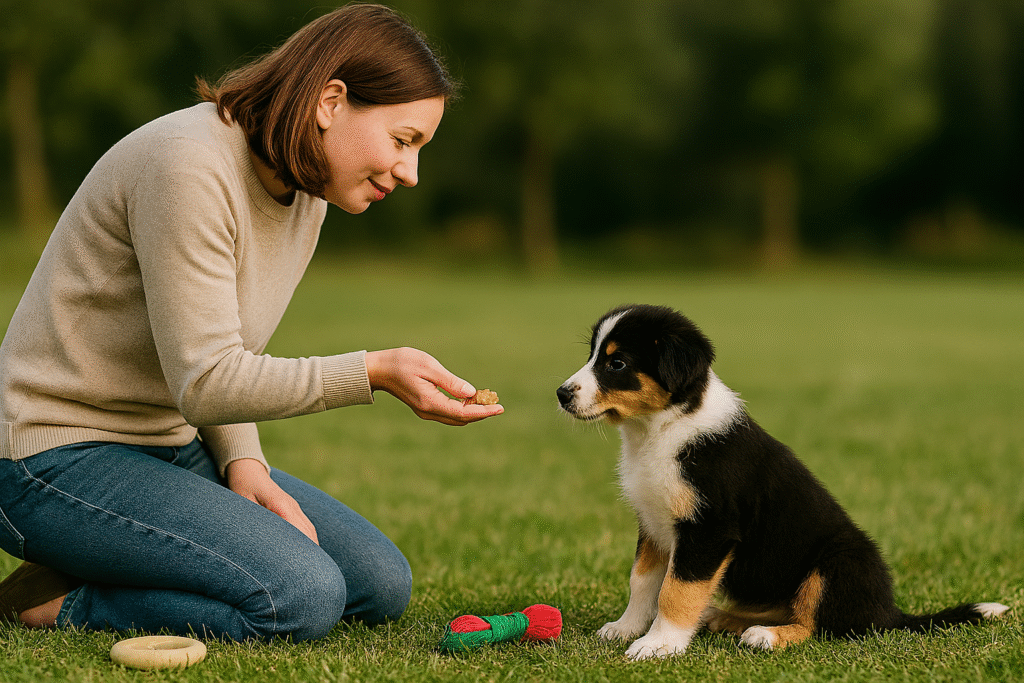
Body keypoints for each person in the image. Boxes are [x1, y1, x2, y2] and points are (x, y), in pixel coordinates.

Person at [0, 3, 502, 642]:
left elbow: (221, 349)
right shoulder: (189, 165)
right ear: (329, 102)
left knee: (377, 582)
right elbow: (208, 379)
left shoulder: (307, 192)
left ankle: (89, 560)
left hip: (165, 445)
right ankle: (56, 604)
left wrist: (245, 462)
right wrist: (373, 372)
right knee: (299, 596)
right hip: (49, 457)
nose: (410, 171)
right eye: (403, 140)